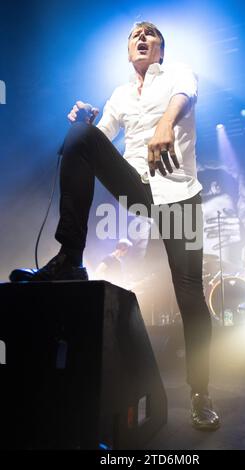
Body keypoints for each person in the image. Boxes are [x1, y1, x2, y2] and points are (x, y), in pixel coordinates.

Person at [10, 21, 220, 430]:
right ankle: (70, 256)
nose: (142, 38)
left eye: (151, 34)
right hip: (139, 189)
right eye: (135, 35)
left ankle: (200, 392)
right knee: (79, 138)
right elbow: (96, 142)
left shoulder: (178, 73)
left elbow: (187, 97)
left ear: (160, 49)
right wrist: (81, 123)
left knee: (190, 295)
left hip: (179, 196)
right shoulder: (121, 95)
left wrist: (164, 126)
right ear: (128, 51)